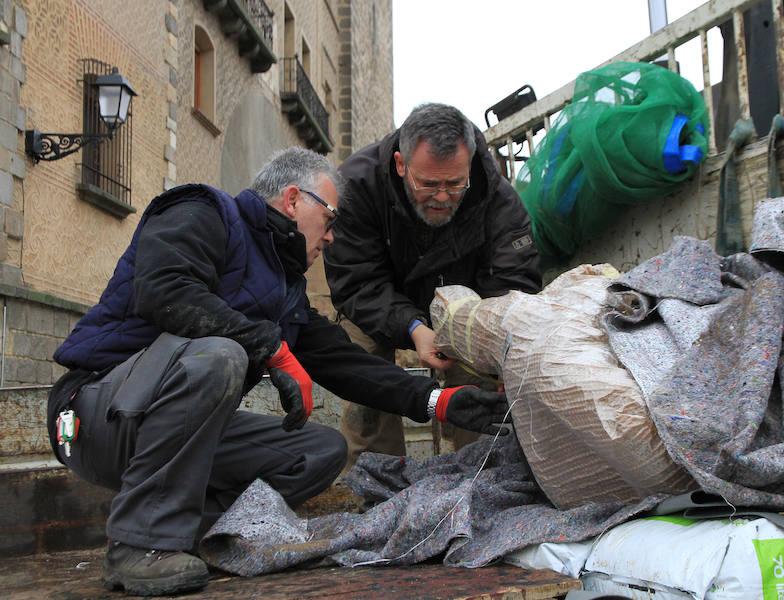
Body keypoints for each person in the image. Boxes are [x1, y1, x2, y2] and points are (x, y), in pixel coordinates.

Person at [47, 147, 508, 597]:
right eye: (329, 220)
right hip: (94, 414)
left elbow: (344, 362)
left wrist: (436, 401)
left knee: (319, 451)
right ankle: (139, 545)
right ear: (292, 200)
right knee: (220, 355)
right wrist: (270, 348)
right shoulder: (201, 212)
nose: (331, 238)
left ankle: (194, 533)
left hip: (172, 434)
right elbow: (166, 291)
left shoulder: (285, 291)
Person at [324, 103, 541, 469]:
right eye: (427, 184)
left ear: (469, 165)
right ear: (400, 164)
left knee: (483, 380)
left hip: (466, 305)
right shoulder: (355, 185)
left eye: (455, 184)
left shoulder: (497, 196)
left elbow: (514, 282)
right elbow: (356, 281)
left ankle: (484, 476)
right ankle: (377, 480)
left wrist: (501, 350)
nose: (442, 196)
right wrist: (413, 327)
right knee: (364, 376)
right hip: (379, 300)